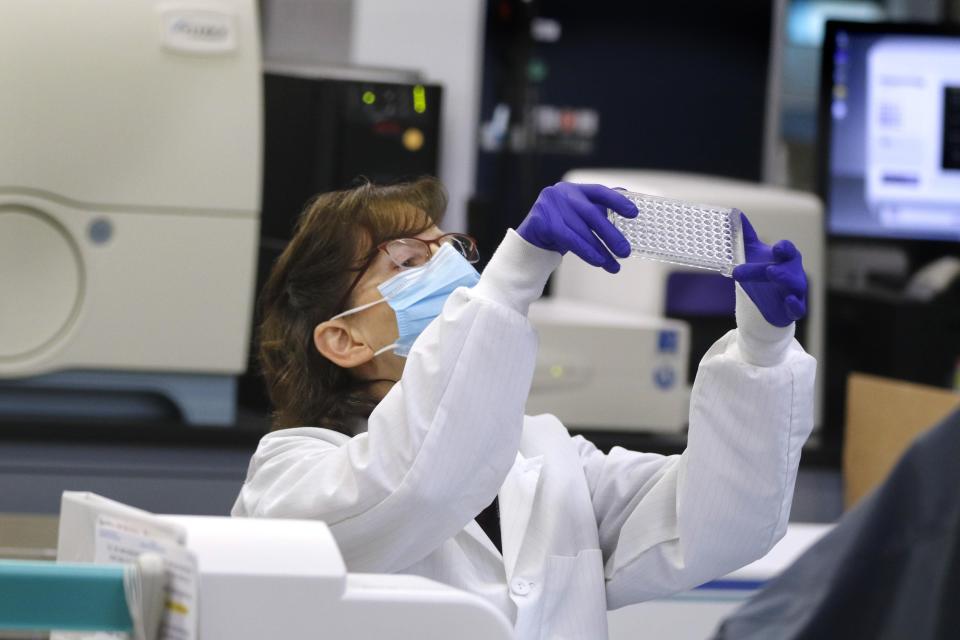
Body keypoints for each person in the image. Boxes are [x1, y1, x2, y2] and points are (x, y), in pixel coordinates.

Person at [232, 178, 815, 639]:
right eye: (408, 262)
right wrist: (514, 278)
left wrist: (763, 348)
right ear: (344, 340)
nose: (452, 275)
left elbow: (716, 522)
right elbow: (417, 481)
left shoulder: (546, 458)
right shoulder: (288, 480)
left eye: (452, 250)